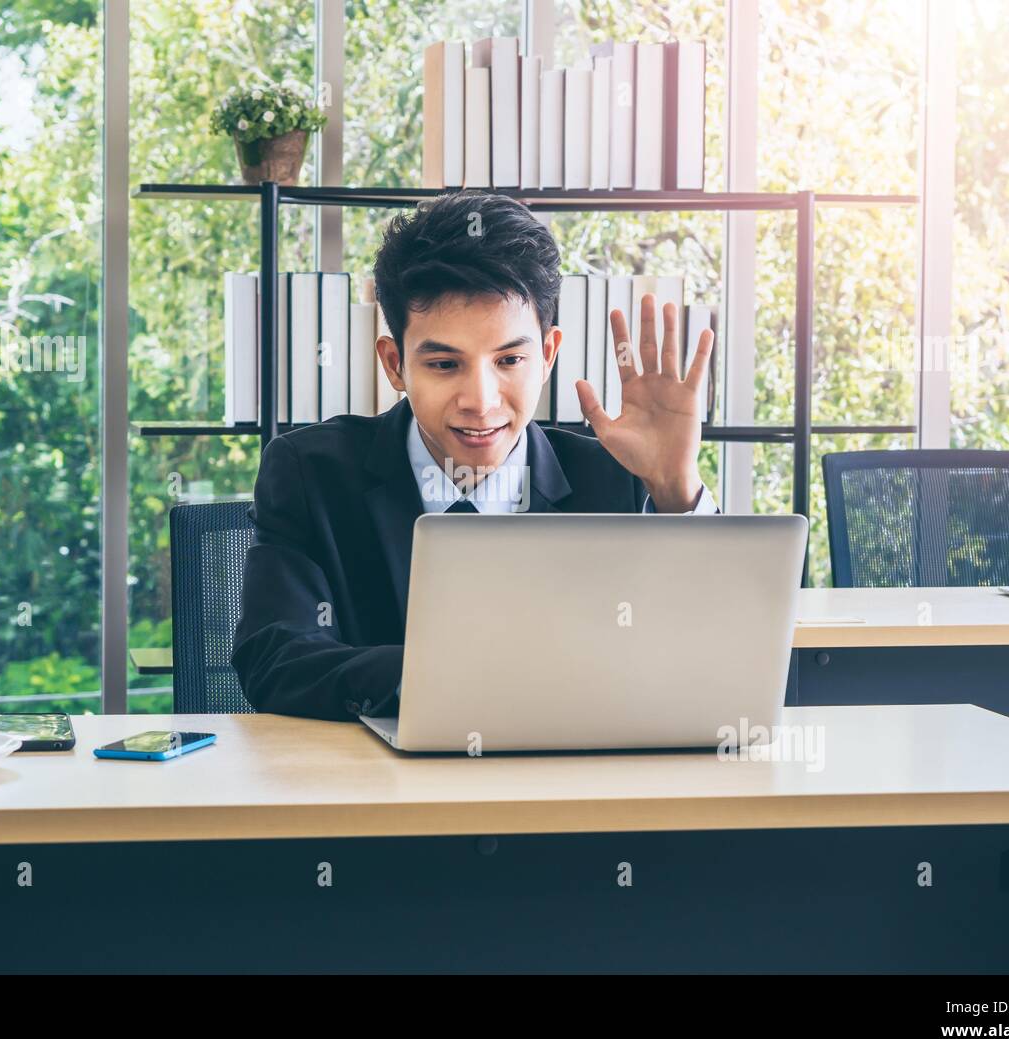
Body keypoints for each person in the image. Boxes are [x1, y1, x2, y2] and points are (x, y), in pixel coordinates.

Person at [231, 190, 717, 720]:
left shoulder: (619, 479)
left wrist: (675, 490)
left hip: (576, 791)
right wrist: (468, 678)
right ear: (395, 365)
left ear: (547, 354)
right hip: (381, 792)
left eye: (509, 359)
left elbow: (707, 666)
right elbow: (275, 660)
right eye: (444, 365)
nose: (481, 402)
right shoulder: (312, 474)